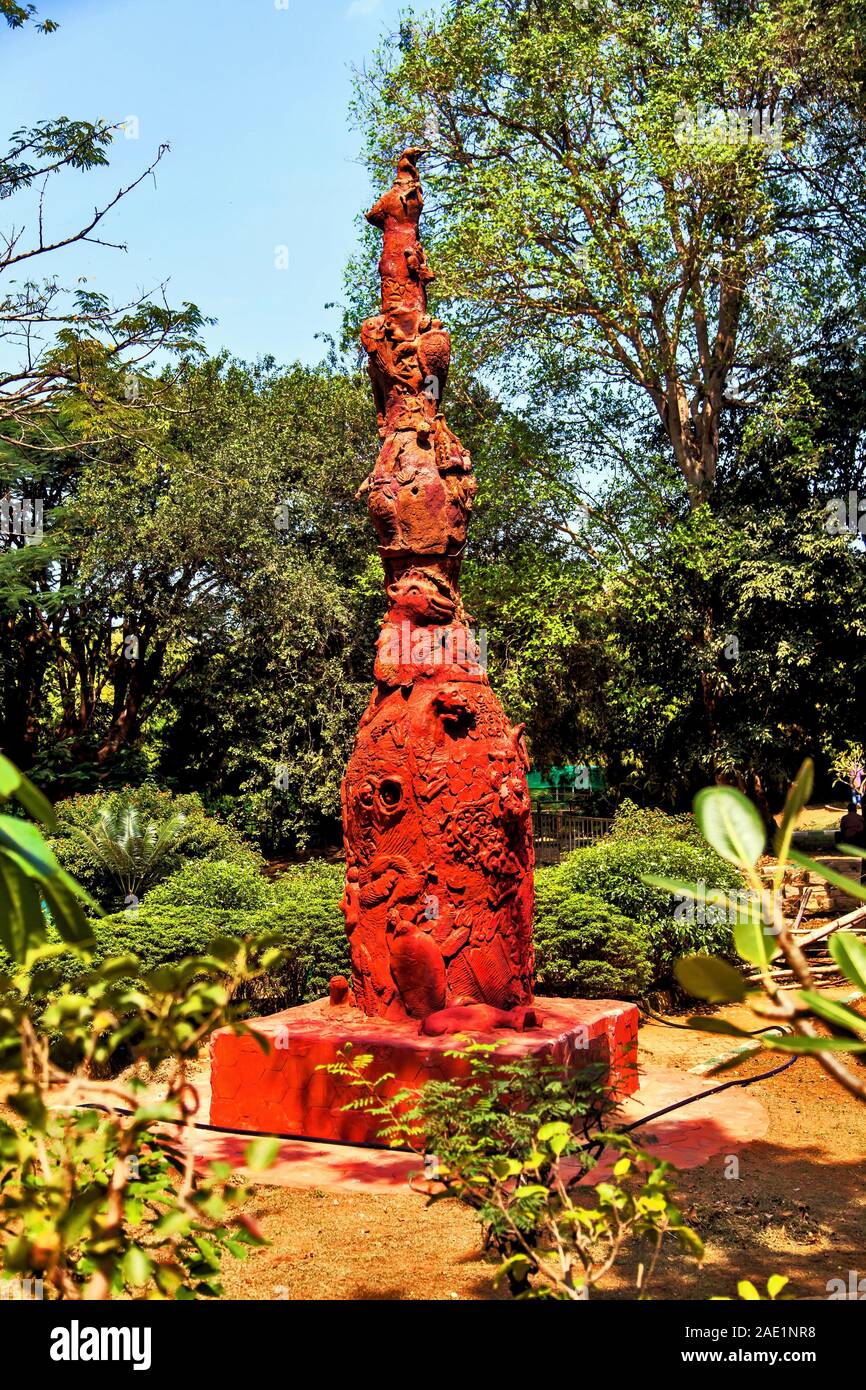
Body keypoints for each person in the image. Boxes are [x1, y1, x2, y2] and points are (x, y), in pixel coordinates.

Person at [836, 800, 866, 884]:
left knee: (837, 834)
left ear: (848, 810)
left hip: (848, 840)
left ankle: (840, 848)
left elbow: (842, 830)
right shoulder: (860, 818)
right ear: (856, 810)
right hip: (860, 840)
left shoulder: (844, 818)